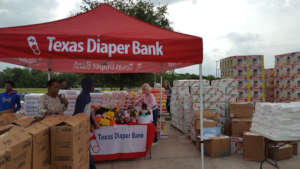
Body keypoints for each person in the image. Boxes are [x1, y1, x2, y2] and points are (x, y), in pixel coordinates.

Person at [73, 78, 97, 169]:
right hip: (81, 126)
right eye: (92, 85)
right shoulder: (82, 97)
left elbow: (88, 111)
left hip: (85, 125)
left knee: (86, 148)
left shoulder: (87, 95)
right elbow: (78, 114)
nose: (93, 87)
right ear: (87, 86)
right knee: (86, 149)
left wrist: (92, 122)